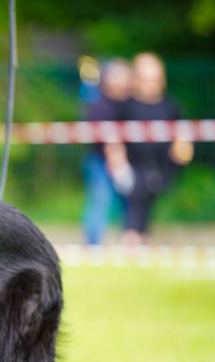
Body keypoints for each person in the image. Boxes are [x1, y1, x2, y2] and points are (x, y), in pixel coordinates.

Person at [106, 52, 193, 246]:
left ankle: (139, 241)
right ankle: (131, 240)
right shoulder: (126, 106)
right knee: (133, 213)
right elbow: (114, 137)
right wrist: (118, 163)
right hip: (134, 167)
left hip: (161, 169)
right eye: (147, 79)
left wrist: (183, 149)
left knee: (146, 213)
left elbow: (182, 135)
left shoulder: (170, 105)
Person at [81, 59, 131, 245]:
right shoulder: (98, 103)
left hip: (126, 162)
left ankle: (129, 240)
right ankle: (93, 244)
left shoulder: (128, 103)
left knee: (127, 204)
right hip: (100, 161)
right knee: (100, 201)